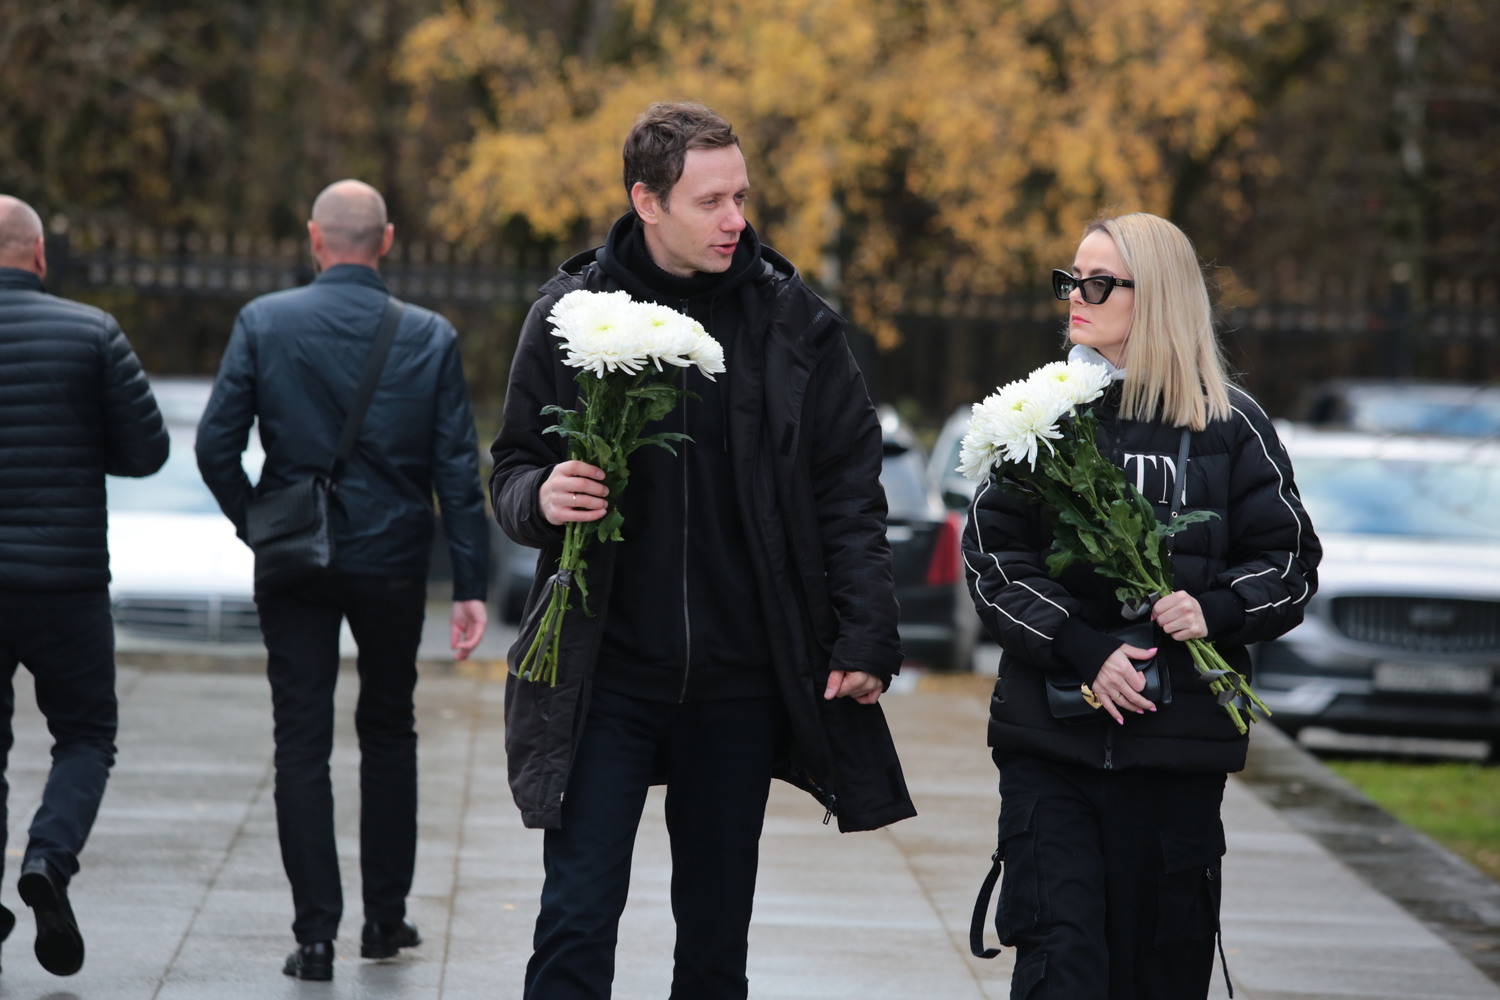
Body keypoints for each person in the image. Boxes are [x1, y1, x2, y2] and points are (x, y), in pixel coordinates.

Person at [490, 101, 915, 1000]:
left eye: (742, 198)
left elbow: (849, 491)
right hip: (605, 673)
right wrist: (541, 496)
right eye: (710, 201)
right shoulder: (570, 315)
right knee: (575, 920)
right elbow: (512, 469)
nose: (735, 220)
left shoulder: (795, 322)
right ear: (647, 201)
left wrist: (867, 635)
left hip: (740, 681)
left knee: (716, 942)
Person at [962, 212, 1322, 999]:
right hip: (1052, 745)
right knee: (1059, 964)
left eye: (1098, 284)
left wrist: (1215, 610)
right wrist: (1083, 650)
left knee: (1159, 972)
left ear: (1155, 295)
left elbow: (1290, 563)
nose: (1075, 297)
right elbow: (994, 562)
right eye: (1070, 280)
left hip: (1177, 754)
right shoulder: (1039, 417)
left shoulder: (1232, 424)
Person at [196, 179, 491, 982]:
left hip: (294, 560)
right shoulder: (428, 335)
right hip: (392, 561)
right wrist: (471, 582)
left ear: (315, 238)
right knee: (390, 729)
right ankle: (385, 920)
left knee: (300, 740)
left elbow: (215, 447)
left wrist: (258, 523)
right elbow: (457, 471)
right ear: (386, 240)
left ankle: (316, 937)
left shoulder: (264, 322)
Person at [0, 195, 169, 976]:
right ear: (40, 255)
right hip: (65, 581)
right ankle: (48, 859)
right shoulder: (91, 332)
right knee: (86, 736)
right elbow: (147, 452)